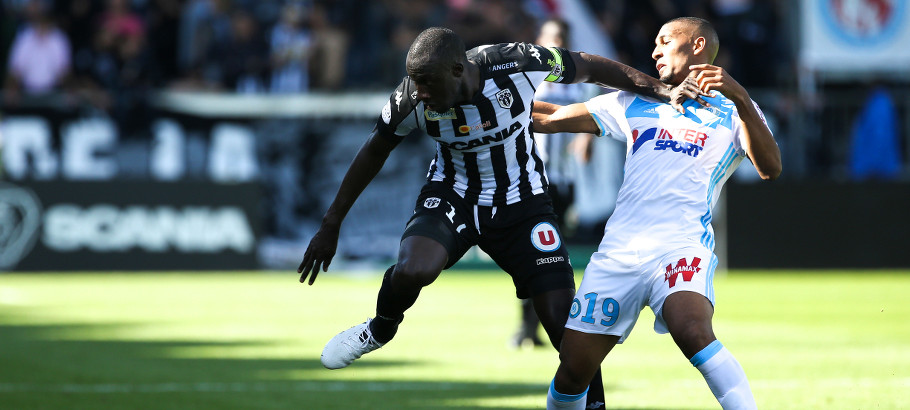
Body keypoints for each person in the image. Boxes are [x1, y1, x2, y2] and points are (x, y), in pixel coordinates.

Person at [298, 27, 700, 409]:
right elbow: (374, 150)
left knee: (566, 330)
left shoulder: (517, 63)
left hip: (522, 204)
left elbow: (590, 65)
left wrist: (661, 88)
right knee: (412, 269)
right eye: (415, 83)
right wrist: (331, 223)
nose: (421, 93)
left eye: (428, 83)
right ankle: (380, 328)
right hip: (453, 194)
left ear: (458, 70)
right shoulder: (411, 99)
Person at [536, 17, 781, 409]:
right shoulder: (635, 100)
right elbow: (548, 117)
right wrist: (489, 104)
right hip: (620, 252)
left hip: (681, 244)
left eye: (665, 41)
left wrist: (738, 95)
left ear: (697, 45)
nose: (655, 51)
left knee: (693, 330)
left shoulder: (737, 109)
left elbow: (770, 167)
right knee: (573, 369)